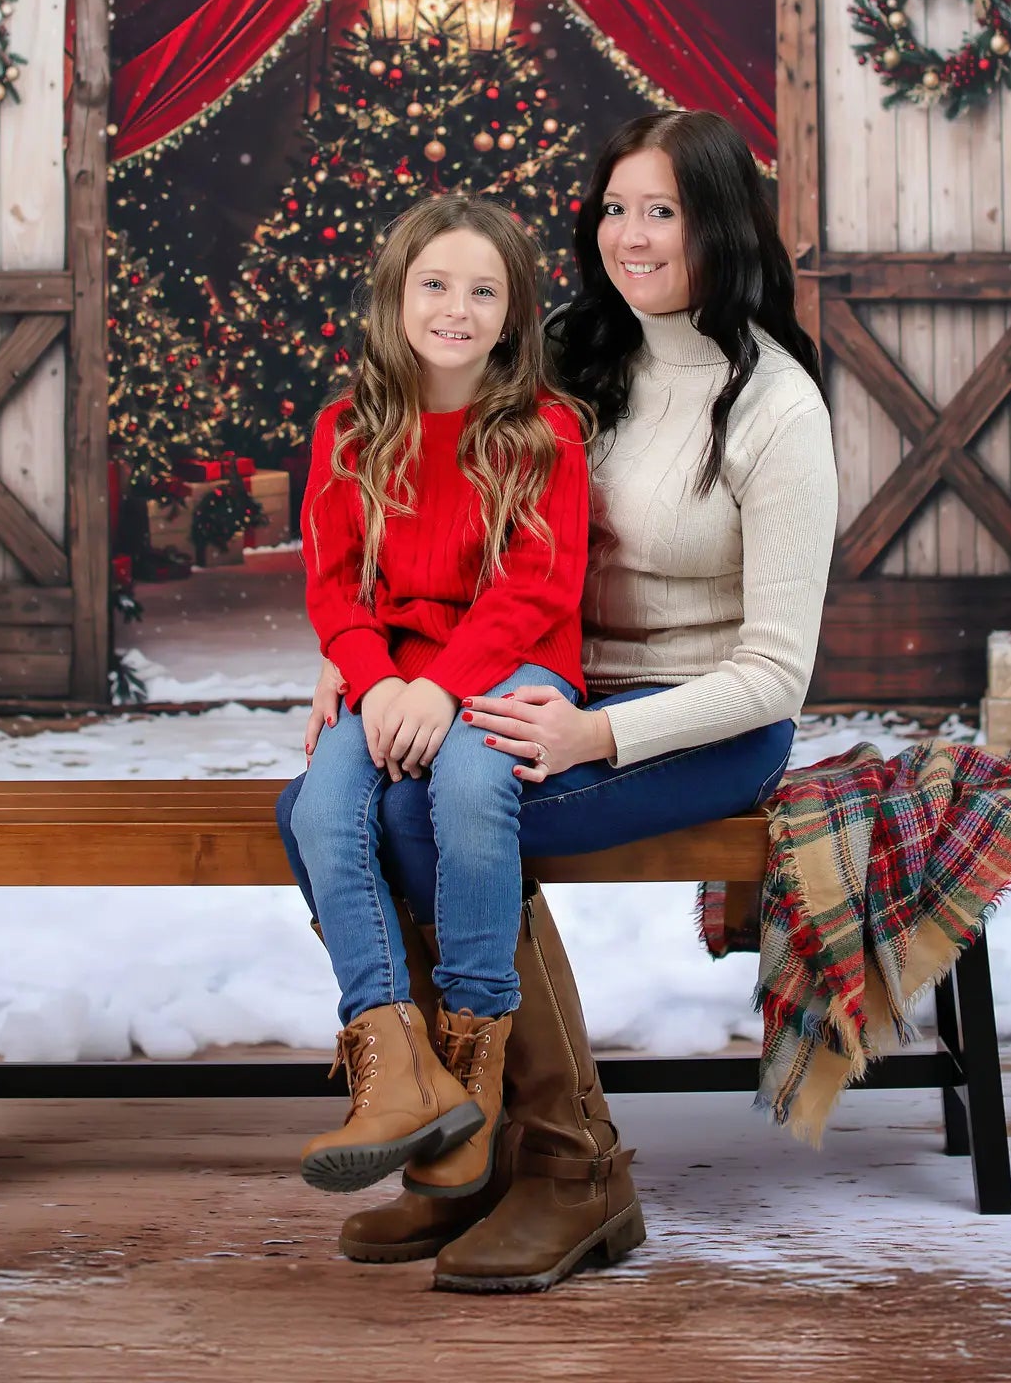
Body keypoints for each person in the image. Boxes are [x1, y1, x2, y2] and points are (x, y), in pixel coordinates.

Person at [285, 109, 839, 1293]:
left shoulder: (776, 408)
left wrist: (597, 731)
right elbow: (453, 530)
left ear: (723, 223)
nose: (632, 236)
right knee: (382, 803)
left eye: (665, 211)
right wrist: (363, 656)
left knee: (438, 817)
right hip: (543, 680)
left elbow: (775, 670)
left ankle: (572, 1167)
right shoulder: (592, 354)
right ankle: (461, 1145)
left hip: (701, 723)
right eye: (616, 208)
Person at [278, 193, 591, 1203]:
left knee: (465, 787)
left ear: (513, 312)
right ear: (395, 294)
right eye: (435, 283)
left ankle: (477, 1064)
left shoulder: (543, 432)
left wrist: (441, 687)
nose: (456, 307)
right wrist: (375, 680)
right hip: (389, 676)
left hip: (511, 662)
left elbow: (536, 585)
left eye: (483, 289)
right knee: (322, 804)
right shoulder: (346, 429)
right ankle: (398, 1065)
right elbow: (333, 585)